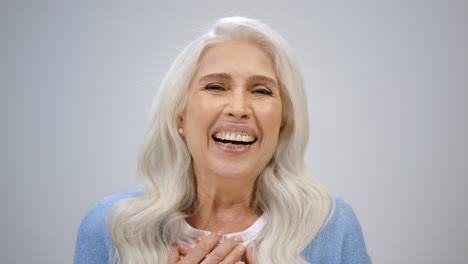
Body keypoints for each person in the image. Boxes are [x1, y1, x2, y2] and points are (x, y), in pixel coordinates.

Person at [74, 16, 371, 264]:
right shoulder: (110, 226)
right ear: (180, 116)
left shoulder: (331, 224)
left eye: (261, 91)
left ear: (283, 123)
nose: (239, 109)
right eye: (216, 86)